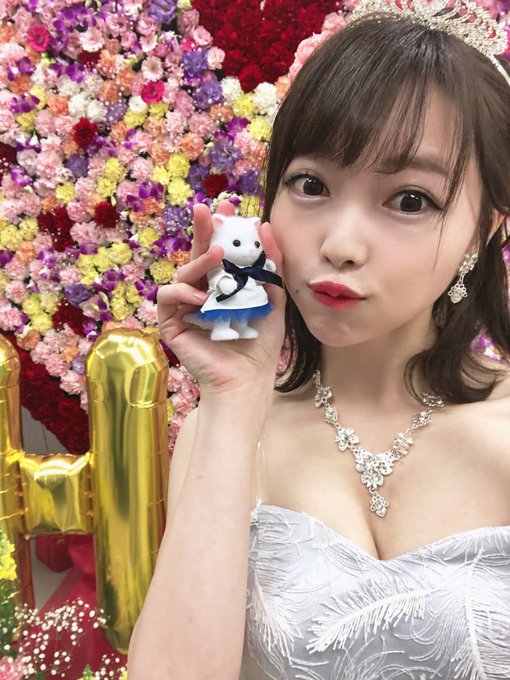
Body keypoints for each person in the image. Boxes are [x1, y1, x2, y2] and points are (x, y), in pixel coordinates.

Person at [127, 1, 510, 677]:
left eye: (410, 200)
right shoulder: (225, 432)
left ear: (483, 229)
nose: (340, 244)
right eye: (311, 185)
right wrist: (233, 399)